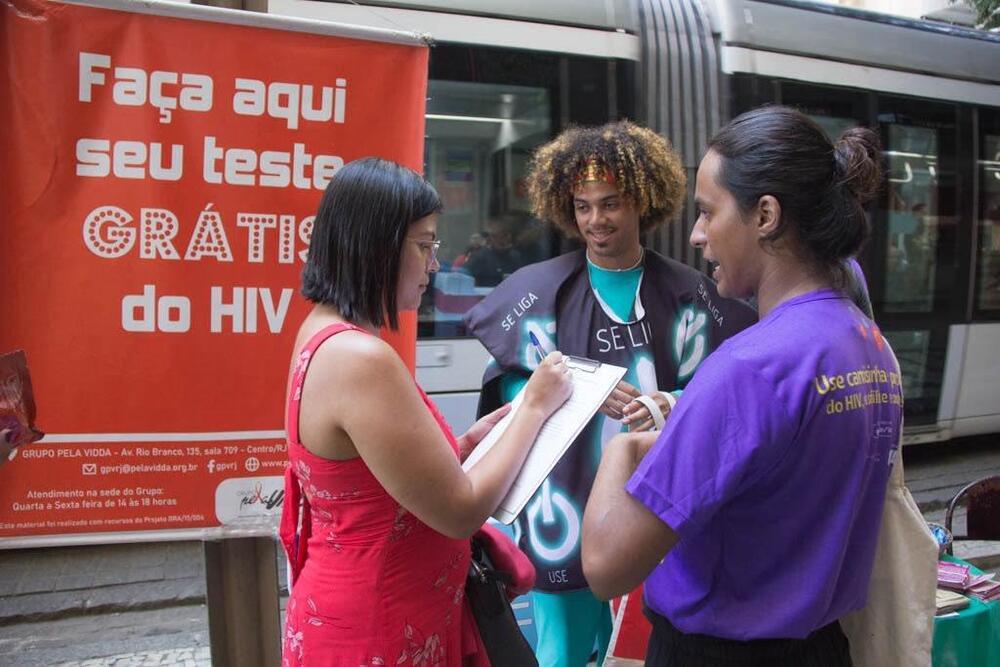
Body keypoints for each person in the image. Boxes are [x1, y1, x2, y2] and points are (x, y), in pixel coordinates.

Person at [582, 106, 898, 665]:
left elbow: (607, 567)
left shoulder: (749, 367)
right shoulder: (864, 339)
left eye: (707, 212)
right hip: (821, 647)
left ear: (766, 215)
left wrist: (624, 448)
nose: (698, 235)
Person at [463, 121, 756, 666]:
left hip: (658, 505)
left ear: (642, 201)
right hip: (561, 515)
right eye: (582, 206)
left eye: (611, 203)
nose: (595, 220)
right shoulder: (535, 294)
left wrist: (668, 402)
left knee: (640, 648)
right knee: (563, 655)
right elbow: (509, 397)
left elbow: (728, 390)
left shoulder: (693, 295)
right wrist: (579, 392)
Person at [279, 157, 573, 666]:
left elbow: (368, 481)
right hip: (380, 624)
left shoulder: (323, 332)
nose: (435, 264)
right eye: (424, 245)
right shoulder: (360, 357)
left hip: (365, 609)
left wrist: (460, 448)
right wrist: (535, 407)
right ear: (377, 246)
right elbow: (460, 513)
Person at [460, 213, 527, 286]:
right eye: (498, 236)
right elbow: (463, 277)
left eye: (505, 235)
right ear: (491, 238)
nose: (502, 240)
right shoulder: (480, 257)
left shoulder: (516, 257)